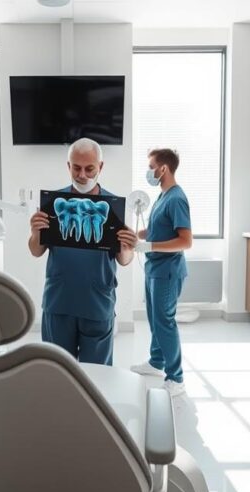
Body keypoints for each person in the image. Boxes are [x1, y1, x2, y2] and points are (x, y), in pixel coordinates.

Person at [28, 138, 138, 365]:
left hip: (97, 304)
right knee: (58, 375)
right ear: (68, 166)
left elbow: (124, 260)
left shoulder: (113, 208)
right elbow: (35, 251)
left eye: (90, 169)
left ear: (101, 167)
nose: (82, 175)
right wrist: (36, 232)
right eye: (76, 168)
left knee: (97, 377)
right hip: (59, 303)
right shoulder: (52, 204)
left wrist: (127, 247)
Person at [131, 148, 193, 397]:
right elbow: (157, 229)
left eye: (151, 166)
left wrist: (150, 246)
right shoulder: (162, 197)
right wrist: (135, 235)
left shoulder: (177, 198)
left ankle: (176, 378)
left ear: (163, 169)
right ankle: (157, 361)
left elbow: (185, 240)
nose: (149, 171)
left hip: (167, 270)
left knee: (164, 322)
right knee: (154, 318)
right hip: (154, 267)